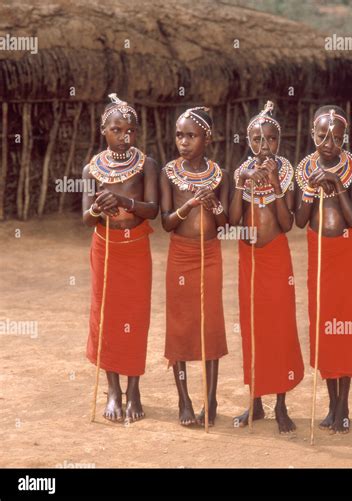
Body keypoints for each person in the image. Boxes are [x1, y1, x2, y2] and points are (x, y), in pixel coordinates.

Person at [82, 93, 159, 423]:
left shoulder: (147, 165)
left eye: (130, 131)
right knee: (108, 315)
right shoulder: (91, 169)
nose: (124, 136)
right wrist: (99, 207)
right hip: (106, 247)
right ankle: (113, 389)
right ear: (104, 130)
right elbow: (86, 217)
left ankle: (135, 388)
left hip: (136, 247)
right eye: (117, 130)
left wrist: (125, 203)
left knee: (136, 315)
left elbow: (153, 210)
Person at [229, 101, 304, 434]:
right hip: (249, 260)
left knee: (280, 328)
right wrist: (241, 182)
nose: (264, 146)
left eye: (270, 139)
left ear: (279, 140)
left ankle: (281, 405)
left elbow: (288, 224)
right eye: (257, 140)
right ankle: (255, 402)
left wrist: (273, 184)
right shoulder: (241, 171)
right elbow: (232, 221)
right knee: (252, 327)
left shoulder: (287, 172)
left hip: (276, 258)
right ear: (249, 142)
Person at [295, 105, 352, 434]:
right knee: (324, 325)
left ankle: (344, 404)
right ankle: (329, 402)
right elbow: (299, 221)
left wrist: (336, 182)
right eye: (322, 136)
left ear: (345, 139)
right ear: (312, 134)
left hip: (347, 252)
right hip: (319, 252)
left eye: (336, 138)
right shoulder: (304, 169)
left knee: (347, 325)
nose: (328, 143)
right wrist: (312, 189)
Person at [159, 107, 229, 427]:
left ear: (207, 138)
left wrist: (215, 206)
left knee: (210, 326)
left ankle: (210, 401)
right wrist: (188, 204)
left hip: (210, 256)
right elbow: (166, 223)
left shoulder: (220, 175)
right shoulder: (168, 172)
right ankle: (184, 399)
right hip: (181, 256)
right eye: (179, 135)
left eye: (191, 136)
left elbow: (225, 224)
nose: (183, 142)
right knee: (181, 326)